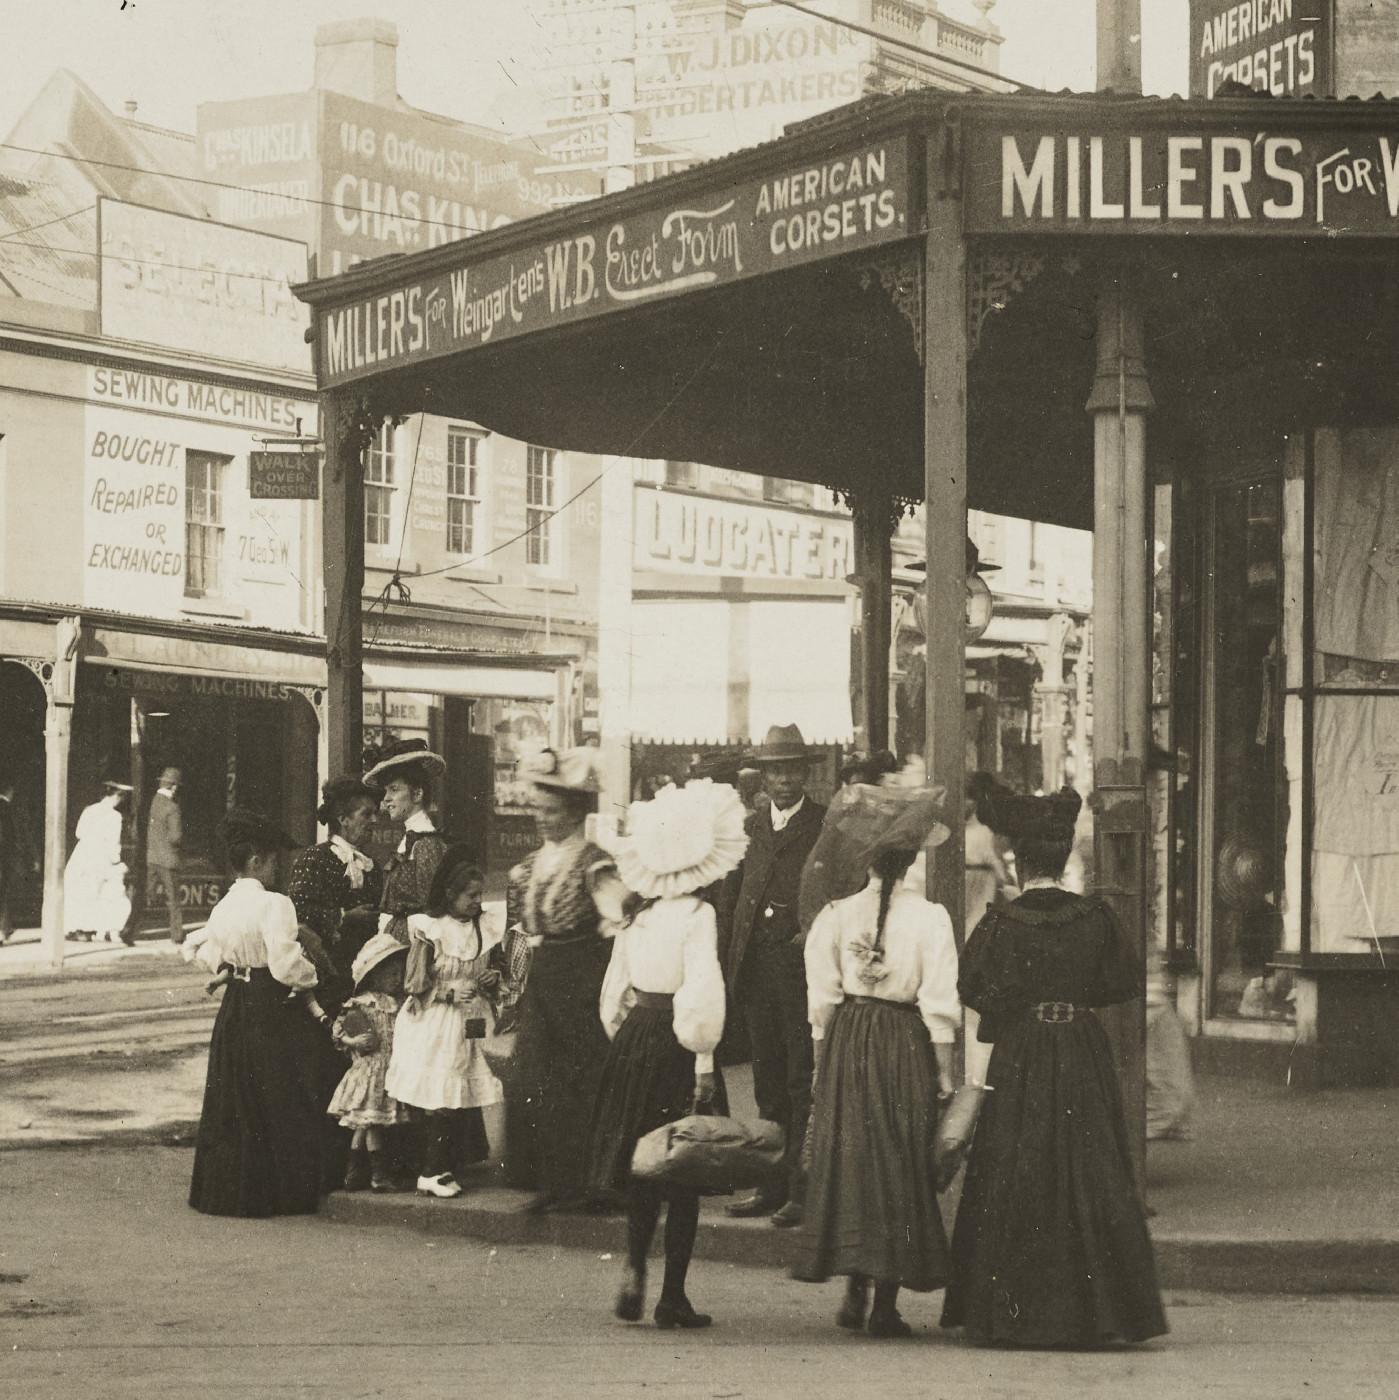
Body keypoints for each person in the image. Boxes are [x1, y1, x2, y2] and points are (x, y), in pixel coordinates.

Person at [939, 787, 1168, 1348]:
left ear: (1018, 859)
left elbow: (974, 990)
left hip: (1021, 1052)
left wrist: (1019, 1007)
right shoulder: (1096, 918)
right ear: (1065, 858)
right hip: (1081, 1049)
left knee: (1018, 1163)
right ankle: (1094, 1312)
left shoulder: (999, 923)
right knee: (1089, 1164)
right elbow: (1122, 983)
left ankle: (1014, 1313)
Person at [792, 783, 959, 1339]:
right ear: (911, 860)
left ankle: (855, 1283)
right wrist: (944, 1074)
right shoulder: (931, 918)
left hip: (847, 1041)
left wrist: (822, 1068)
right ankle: (884, 1303)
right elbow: (939, 1004)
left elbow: (821, 1004)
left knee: (852, 1159)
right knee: (900, 1161)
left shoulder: (835, 916)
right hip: (903, 1042)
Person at [590, 779, 745, 1330]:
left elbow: (612, 996)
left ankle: (634, 1265)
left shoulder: (639, 916)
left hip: (638, 1036)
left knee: (643, 1169)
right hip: (680, 1047)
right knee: (684, 1171)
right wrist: (703, 1062)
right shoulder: (699, 916)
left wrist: (626, 1043)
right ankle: (672, 1296)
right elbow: (701, 990)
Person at [186, 807, 329, 1218]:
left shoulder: (223, 907)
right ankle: (281, 1192)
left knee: (234, 1091)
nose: (277, 870)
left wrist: (232, 967)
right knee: (279, 1088)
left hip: (237, 1003)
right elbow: (286, 964)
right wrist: (313, 976)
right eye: (273, 861)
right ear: (256, 862)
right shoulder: (276, 904)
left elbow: (210, 955)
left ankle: (228, 1192)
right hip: (269, 1001)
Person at [505, 746, 629, 1212]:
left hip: (583, 984)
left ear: (575, 812)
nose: (541, 818)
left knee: (579, 1082)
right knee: (535, 1078)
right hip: (543, 983)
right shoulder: (532, 864)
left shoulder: (596, 863)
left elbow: (621, 919)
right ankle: (551, 1180)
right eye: (538, 808)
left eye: (551, 811)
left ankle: (588, 1183)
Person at [719, 723, 827, 1228]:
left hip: (801, 972)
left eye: (792, 769)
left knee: (801, 1076)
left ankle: (801, 1190)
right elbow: (732, 895)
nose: (784, 779)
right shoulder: (749, 827)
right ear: (764, 777)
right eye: (775, 770)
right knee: (766, 1080)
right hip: (756, 970)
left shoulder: (825, 826)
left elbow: (836, 892)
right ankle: (769, 1183)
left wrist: (811, 930)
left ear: (806, 773)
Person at [386, 847, 507, 1199]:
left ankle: (444, 1166)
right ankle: (431, 1171)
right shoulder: (431, 929)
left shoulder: (485, 927)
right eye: (471, 895)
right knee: (442, 1095)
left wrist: (490, 977)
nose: (476, 901)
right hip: (437, 1022)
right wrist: (448, 993)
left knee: (459, 1096)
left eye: (480, 895)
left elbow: (498, 968)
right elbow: (414, 984)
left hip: (473, 1019)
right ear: (450, 895)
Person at [288, 775, 386, 1014]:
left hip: (366, 966)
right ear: (343, 819)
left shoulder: (371, 865)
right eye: (366, 814)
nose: (374, 820)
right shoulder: (315, 858)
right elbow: (298, 911)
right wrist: (346, 916)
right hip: (328, 967)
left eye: (375, 814)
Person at [329, 932, 410, 1193]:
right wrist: (353, 1043)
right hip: (369, 1070)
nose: (397, 980)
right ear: (374, 975)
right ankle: (378, 1176)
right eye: (391, 975)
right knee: (371, 1123)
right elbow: (338, 1029)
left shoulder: (398, 1004)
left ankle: (353, 1174)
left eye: (400, 974)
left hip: (388, 1068)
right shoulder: (361, 1003)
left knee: (364, 1123)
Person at [367, 739, 449, 949]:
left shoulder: (426, 844)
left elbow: (433, 911)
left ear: (417, 794)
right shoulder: (411, 839)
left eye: (394, 790)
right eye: (386, 791)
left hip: (414, 945)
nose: (386, 799)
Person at [63, 782, 132, 942]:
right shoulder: (114, 816)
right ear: (115, 796)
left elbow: (78, 832)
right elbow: (113, 843)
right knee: (96, 893)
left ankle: (75, 928)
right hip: (100, 857)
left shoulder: (90, 810)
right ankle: (90, 928)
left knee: (79, 892)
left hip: (82, 854)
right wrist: (116, 861)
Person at [146, 767, 184, 945]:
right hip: (168, 859)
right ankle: (176, 935)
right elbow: (175, 837)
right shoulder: (172, 807)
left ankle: (129, 930)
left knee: (146, 894)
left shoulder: (154, 801)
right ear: (174, 787)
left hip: (152, 857)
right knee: (174, 899)